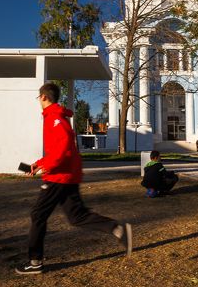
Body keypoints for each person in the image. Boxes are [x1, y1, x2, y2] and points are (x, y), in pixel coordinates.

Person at [16, 83, 133, 275]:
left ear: (44, 97)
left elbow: (62, 149)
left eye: (38, 98)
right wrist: (38, 163)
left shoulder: (54, 118)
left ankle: (35, 261)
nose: (38, 101)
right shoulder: (55, 117)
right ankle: (117, 229)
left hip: (59, 176)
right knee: (77, 216)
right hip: (66, 174)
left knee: (38, 215)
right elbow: (57, 150)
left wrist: (48, 166)